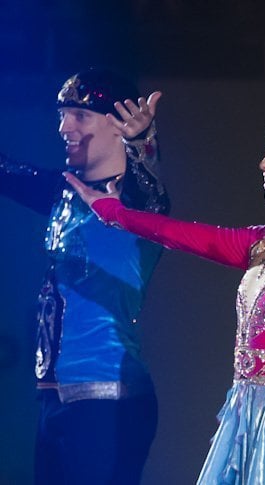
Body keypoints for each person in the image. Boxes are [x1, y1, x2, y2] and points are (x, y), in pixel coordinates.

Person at [66, 44, 265, 485]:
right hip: (246, 416)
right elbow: (185, 235)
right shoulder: (263, 243)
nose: (264, 163)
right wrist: (113, 211)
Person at [0, 68, 169, 484]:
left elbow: (152, 199)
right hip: (54, 398)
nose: (64, 127)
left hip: (107, 399)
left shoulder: (131, 202)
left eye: (79, 115)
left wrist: (142, 145)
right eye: (62, 114)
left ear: (118, 123)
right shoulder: (64, 189)